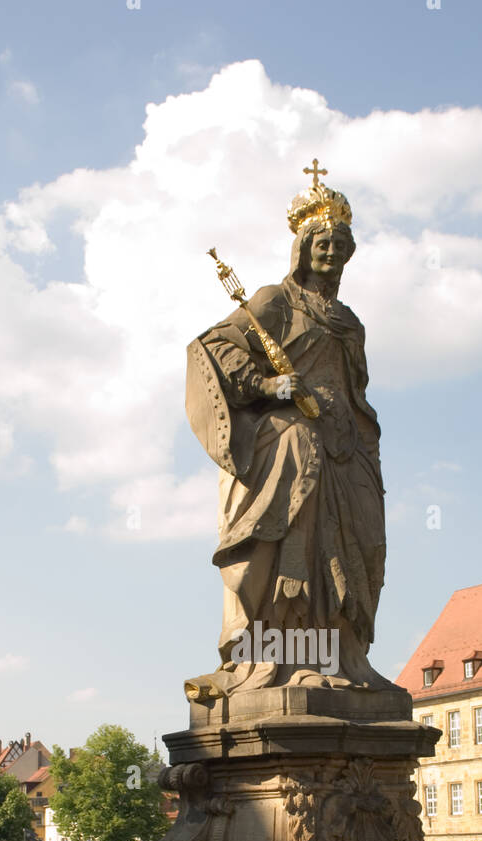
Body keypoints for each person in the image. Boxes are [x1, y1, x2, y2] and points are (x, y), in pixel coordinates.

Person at [185, 168, 396, 699]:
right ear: (303, 247)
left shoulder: (350, 321)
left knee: (358, 547)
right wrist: (270, 384)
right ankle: (282, 661)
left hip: (346, 450)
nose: (331, 253)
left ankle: (344, 660)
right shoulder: (274, 301)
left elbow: (355, 390)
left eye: (340, 245)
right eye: (322, 243)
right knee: (290, 545)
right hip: (292, 445)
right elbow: (216, 347)